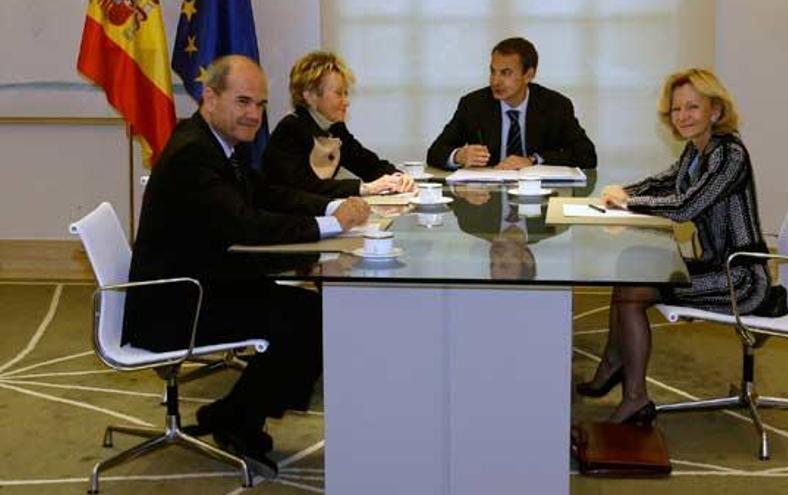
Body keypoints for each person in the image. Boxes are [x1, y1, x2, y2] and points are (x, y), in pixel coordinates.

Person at [123, 55, 371, 476]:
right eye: (243, 101)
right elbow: (246, 224)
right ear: (210, 97)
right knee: (304, 321)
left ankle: (236, 412)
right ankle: (235, 417)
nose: (254, 114)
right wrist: (329, 224)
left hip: (202, 282)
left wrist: (334, 207)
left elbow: (268, 194)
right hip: (176, 303)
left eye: (260, 104)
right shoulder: (194, 153)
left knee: (309, 313)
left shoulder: (217, 144)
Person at [576, 68, 771, 424]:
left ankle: (634, 397)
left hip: (739, 276)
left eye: (693, 107)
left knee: (634, 291)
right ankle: (612, 365)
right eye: (677, 109)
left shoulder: (729, 155)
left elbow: (685, 206)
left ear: (715, 111)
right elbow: (666, 182)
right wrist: (625, 191)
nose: (683, 116)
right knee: (631, 264)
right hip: (716, 265)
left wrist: (628, 204)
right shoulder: (697, 151)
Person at [427, 37, 597, 171]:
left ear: (528, 75)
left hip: (539, 204)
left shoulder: (555, 105)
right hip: (487, 204)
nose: (495, 81)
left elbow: (586, 155)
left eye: (505, 73)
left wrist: (533, 160)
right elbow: (435, 152)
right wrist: (458, 156)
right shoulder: (474, 104)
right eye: (493, 71)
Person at [262, 50, 415, 198]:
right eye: (338, 93)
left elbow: (366, 163)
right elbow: (304, 186)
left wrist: (398, 177)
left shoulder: (335, 128)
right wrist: (365, 188)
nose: (346, 102)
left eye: (346, 93)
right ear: (310, 96)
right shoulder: (289, 130)